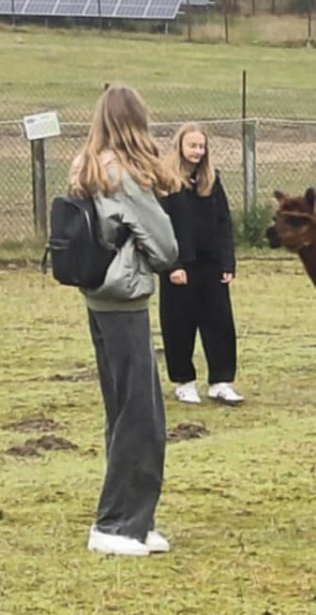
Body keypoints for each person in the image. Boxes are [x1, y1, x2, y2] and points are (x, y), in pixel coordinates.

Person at [69, 86, 180, 557]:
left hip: (98, 298)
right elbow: (166, 246)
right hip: (125, 301)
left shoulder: (87, 166)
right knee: (142, 417)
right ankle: (114, 523)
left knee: (123, 412)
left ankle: (136, 520)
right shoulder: (124, 175)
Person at [159, 123, 241, 406]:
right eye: (192, 145)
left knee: (219, 323)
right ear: (180, 146)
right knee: (179, 324)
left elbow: (223, 222)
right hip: (180, 266)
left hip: (211, 264)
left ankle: (221, 381)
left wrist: (227, 261)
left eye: (201, 146)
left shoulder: (212, 180)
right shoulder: (165, 181)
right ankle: (184, 381)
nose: (197, 151)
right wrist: (173, 266)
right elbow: (159, 226)